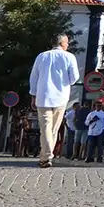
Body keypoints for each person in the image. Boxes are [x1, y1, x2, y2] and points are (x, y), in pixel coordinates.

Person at [28, 34, 81, 168]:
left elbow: (34, 77)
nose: (68, 45)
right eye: (67, 42)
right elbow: (74, 78)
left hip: (43, 96)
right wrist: (64, 82)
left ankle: (45, 156)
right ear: (62, 43)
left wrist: (33, 95)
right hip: (61, 97)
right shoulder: (69, 57)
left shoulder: (42, 56)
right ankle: (46, 156)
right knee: (54, 129)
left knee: (45, 127)